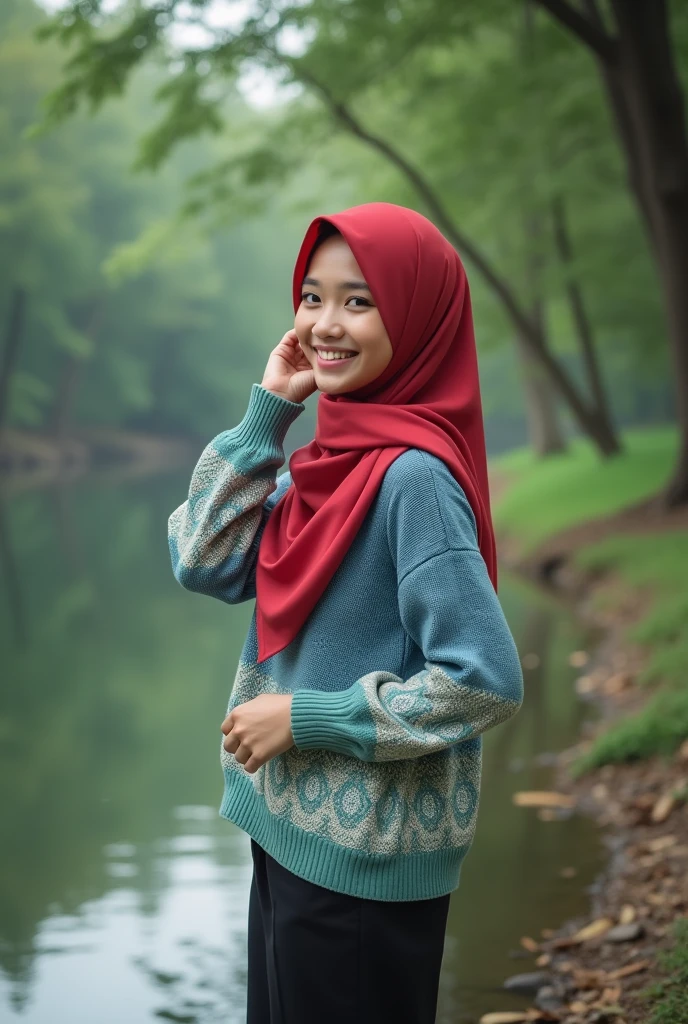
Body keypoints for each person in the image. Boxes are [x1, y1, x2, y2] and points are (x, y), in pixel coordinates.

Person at [168, 202, 524, 1024]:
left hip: (366, 860)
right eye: (312, 296)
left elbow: (485, 680)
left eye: (359, 301)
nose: (326, 324)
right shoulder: (328, 462)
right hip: (290, 831)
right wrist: (268, 410)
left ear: (417, 318)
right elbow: (203, 560)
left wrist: (308, 717)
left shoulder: (412, 481)